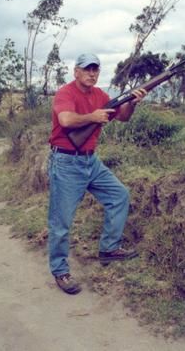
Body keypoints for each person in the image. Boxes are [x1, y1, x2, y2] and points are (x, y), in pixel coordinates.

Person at [47, 52, 147, 295]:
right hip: (67, 162)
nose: (92, 73)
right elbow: (66, 120)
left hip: (91, 161)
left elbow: (122, 117)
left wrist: (132, 102)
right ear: (76, 72)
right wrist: (92, 117)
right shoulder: (66, 93)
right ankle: (60, 271)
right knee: (61, 222)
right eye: (87, 69)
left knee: (119, 195)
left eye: (96, 69)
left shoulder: (101, 95)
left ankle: (109, 249)